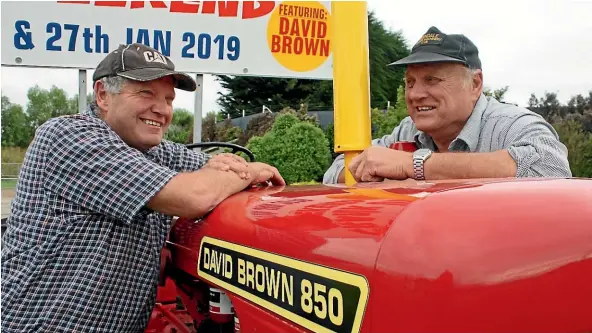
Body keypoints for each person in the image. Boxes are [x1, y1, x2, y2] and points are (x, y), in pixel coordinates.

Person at [1, 43, 285, 332]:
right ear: (103, 95)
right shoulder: (69, 137)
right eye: (146, 93)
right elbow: (195, 196)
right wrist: (248, 171)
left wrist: (234, 170)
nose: (162, 110)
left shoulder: (155, 151)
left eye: (169, 99)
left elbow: (219, 168)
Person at [323, 26, 571, 184]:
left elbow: (552, 170)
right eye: (410, 82)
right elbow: (335, 172)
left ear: (475, 84)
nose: (416, 94)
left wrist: (411, 165)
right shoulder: (407, 130)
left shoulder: (510, 125)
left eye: (432, 80)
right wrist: (372, 172)